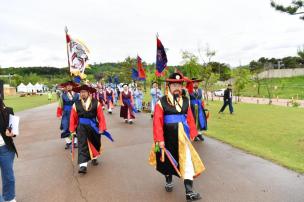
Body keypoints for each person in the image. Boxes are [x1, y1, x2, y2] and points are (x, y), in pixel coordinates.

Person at [149, 73, 205, 201]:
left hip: (183, 137)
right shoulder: (161, 102)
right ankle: (168, 179)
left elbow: (190, 118)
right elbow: (157, 122)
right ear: (168, 86)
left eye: (179, 85)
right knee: (168, 161)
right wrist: (160, 140)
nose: (177, 87)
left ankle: (189, 191)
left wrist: (192, 134)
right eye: (174, 85)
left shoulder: (186, 101)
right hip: (167, 137)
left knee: (188, 162)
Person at [69, 85, 108, 174]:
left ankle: (94, 157)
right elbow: (72, 117)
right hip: (81, 127)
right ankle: (83, 165)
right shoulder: (76, 104)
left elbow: (101, 116)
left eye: (84, 92)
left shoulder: (96, 103)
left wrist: (102, 127)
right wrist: (72, 129)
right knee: (82, 144)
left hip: (93, 126)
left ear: (88, 93)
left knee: (95, 142)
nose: (82, 94)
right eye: (81, 92)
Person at [0, 98, 17, 202]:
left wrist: (11, 133)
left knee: (8, 177)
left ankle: (9, 198)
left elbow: (14, 130)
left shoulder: (8, 111)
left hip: (5, 149)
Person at [56, 81, 79, 149]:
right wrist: (59, 114)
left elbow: (79, 103)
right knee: (65, 127)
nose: (69, 87)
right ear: (65, 87)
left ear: (73, 86)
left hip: (75, 112)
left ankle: (75, 142)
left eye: (70, 85)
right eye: (67, 86)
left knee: (75, 127)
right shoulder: (62, 95)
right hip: (66, 113)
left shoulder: (77, 95)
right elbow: (60, 105)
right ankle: (68, 142)